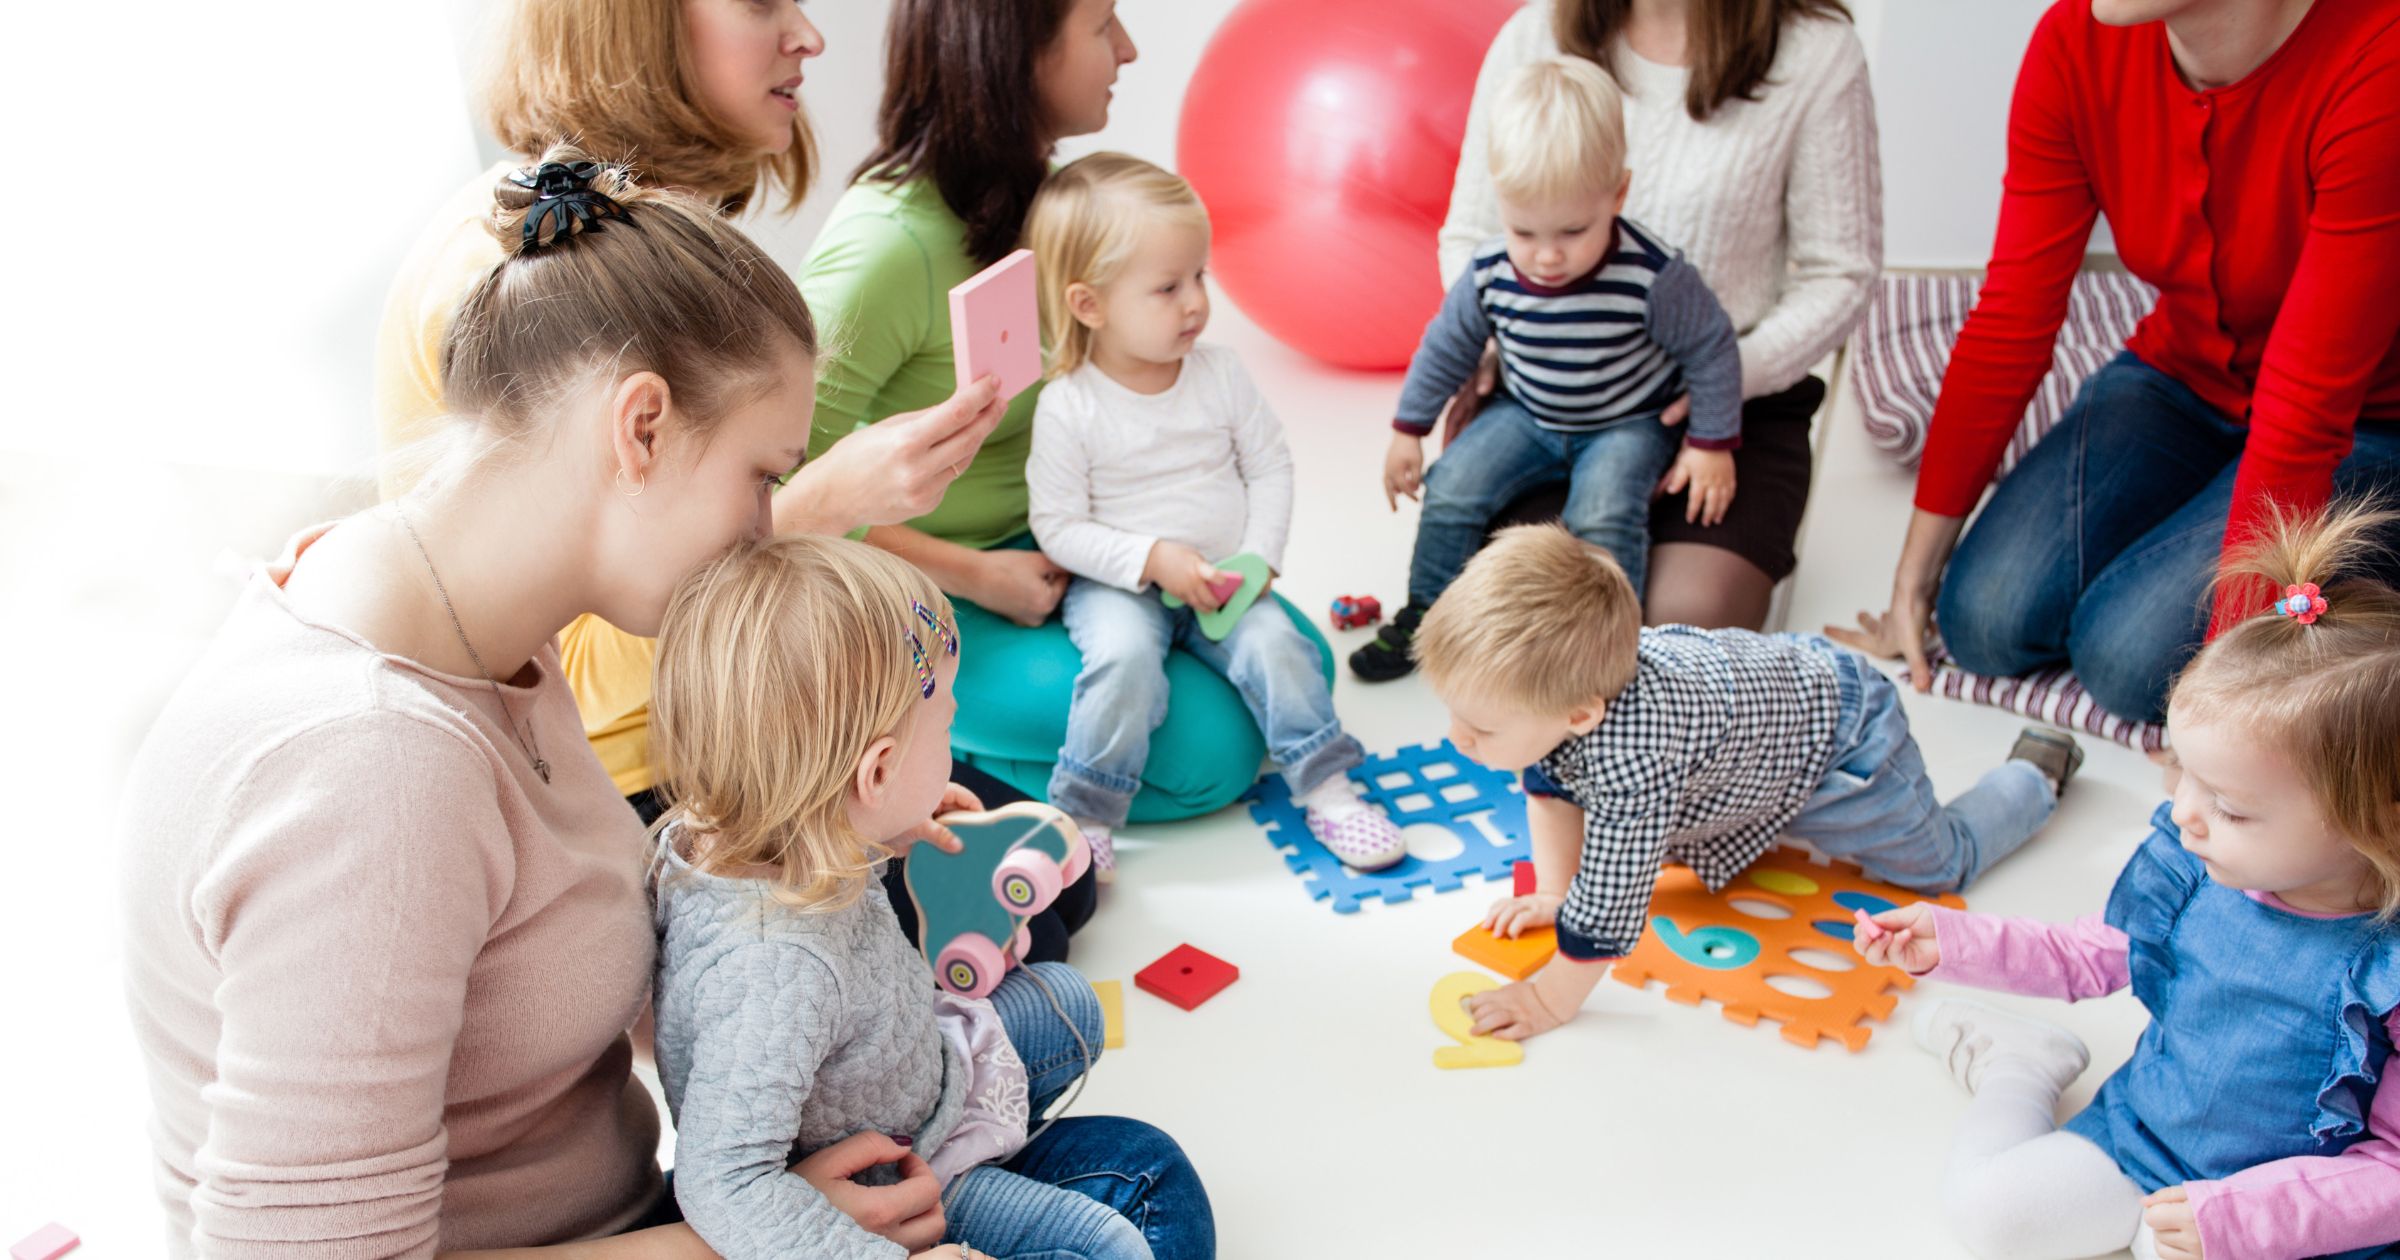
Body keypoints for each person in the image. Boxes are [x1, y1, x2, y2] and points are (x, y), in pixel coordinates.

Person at [124, 151, 967, 1257]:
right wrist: (740, 1237)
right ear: (644, 427)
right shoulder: (371, 768)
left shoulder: (460, 615)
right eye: (764, 475)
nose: (770, 529)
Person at [368, 0, 1098, 958]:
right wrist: (824, 505)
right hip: (632, 760)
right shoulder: (527, 277)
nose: (809, 36)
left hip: (698, 719)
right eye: (761, 4)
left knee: (1051, 886)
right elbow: (571, 674)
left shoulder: (632, 233)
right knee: (1024, 918)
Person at [1833, 0, 2400, 724]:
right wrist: (1912, 577)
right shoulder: (2074, 40)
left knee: (2129, 664)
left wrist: (2232, 715)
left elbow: (2305, 414)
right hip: (2179, 375)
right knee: (1980, 620)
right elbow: (2012, 315)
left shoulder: (2378, 57)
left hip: (2367, 417)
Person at [648, 535, 1214, 1260]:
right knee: (1117, 1245)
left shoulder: (739, 830)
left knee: (1070, 1003)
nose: (951, 733)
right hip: (900, 1172)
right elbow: (725, 1183)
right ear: (876, 771)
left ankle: (999, 1144)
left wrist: (884, 824)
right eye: (945, 722)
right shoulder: (775, 970)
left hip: (916, 1074)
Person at [1861, 502, 2400, 1260]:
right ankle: (2019, 1065)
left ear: (2376, 823)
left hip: (2290, 1210)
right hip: (2141, 1138)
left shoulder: (2385, 971)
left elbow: (2391, 1174)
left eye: (2233, 809)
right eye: (2183, 775)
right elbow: (2091, 954)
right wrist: (1951, 940)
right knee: (1992, 1213)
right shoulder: (2193, 870)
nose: (2184, 816)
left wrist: (2242, 1220)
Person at [1402, 524, 2079, 1044]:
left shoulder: (1631, 760)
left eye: (1481, 729)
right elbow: (1549, 786)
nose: (1458, 739)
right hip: (1757, 733)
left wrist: (1548, 999)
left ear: (1582, 716)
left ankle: (2033, 775)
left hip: (1841, 747)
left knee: (1938, 865)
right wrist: (1555, 891)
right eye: (1453, 714)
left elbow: (1610, 910)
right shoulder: (1567, 700)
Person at [1429, 0, 1880, 634]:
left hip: (1729, 406)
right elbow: (1472, 236)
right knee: (1540, 616)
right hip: (1559, 395)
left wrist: (1724, 377)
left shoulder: (1815, 51)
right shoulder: (1535, 33)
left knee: (1681, 623)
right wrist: (1493, 336)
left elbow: (1841, 272)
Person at [1023, 153, 1406, 875]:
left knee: (1280, 649)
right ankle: (1086, 814)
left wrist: (1259, 557)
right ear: (1089, 306)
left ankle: (1329, 788)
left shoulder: (1220, 374)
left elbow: (1270, 465)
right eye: (1167, 288)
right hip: (1120, 586)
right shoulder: (1068, 405)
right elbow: (1058, 526)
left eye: (1199, 276)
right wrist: (1150, 559)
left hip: (1226, 580)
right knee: (1123, 660)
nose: (1196, 302)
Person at [1355, 57, 1740, 683]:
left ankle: (1612, 653)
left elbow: (1712, 347)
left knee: (1603, 515)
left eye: (1572, 230)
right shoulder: (1490, 272)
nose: (1547, 254)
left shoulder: (1652, 274)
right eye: (1524, 230)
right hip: (1528, 412)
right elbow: (1446, 348)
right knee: (1451, 487)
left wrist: (1710, 443)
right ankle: (1427, 616)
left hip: (1627, 421)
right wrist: (1408, 429)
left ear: (1618, 193)